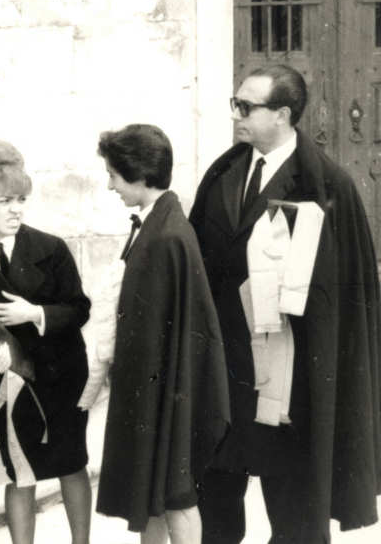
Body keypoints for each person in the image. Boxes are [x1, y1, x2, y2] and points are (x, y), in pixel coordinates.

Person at [190, 64, 381, 543]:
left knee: (293, 506)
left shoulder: (328, 186)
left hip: (290, 376)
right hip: (225, 368)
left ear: (282, 114)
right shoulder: (223, 172)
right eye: (235, 103)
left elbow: (345, 296)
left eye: (245, 106)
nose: (235, 114)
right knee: (215, 499)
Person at [88, 124, 229, 543]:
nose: (110, 185)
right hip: (154, 389)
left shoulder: (167, 235)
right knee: (151, 492)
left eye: (114, 175)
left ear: (139, 172)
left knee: (176, 495)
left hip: (168, 393)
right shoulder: (157, 223)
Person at [0, 139, 91, 544]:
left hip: (61, 376)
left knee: (71, 464)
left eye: (21, 200)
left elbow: (79, 308)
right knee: (17, 470)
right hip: (6, 383)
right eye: (4, 201)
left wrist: (36, 313)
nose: (16, 210)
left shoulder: (50, 248)